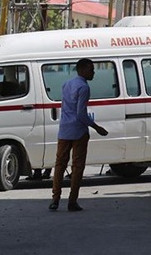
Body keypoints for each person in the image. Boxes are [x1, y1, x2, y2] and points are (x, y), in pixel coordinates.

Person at [49, 58, 108, 212]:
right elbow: (81, 114)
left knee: (60, 165)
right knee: (77, 166)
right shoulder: (84, 87)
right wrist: (96, 127)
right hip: (79, 131)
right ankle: (72, 201)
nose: (93, 72)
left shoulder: (67, 84)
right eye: (91, 69)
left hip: (64, 129)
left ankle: (55, 199)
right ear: (82, 70)